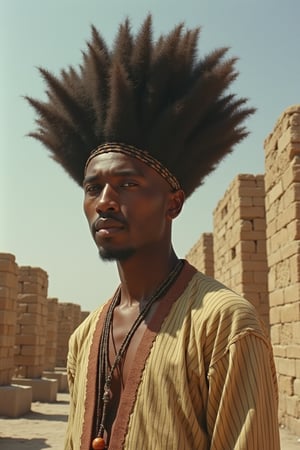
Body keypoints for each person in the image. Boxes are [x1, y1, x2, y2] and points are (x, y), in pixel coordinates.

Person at [27, 16, 280, 450]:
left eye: (126, 184)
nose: (105, 201)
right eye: (93, 188)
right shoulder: (85, 338)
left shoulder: (224, 326)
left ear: (173, 202)